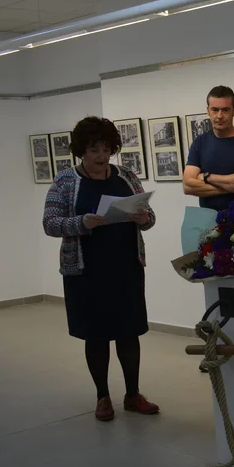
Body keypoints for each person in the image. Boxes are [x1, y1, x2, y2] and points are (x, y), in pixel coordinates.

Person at [42, 116, 160, 422]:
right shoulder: (65, 181)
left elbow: (149, 216)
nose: (102, 156)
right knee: (96, 335)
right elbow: (50, 223)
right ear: (82, 150)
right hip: (86, 272)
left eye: (107, 149)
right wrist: (81, 222)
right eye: (94, 150)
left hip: (125, 267)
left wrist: (143, 218)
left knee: (129, 332)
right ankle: (102, 397)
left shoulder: (126, 176)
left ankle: (133, 395)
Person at [183, 85, 234, 210]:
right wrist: (232, 185)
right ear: (208, 110)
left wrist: (206, 177)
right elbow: (187, 186)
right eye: (215, 110)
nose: (219, 115)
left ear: (233, 111)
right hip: (207, 218)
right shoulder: (199, 142)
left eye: (225, 110)